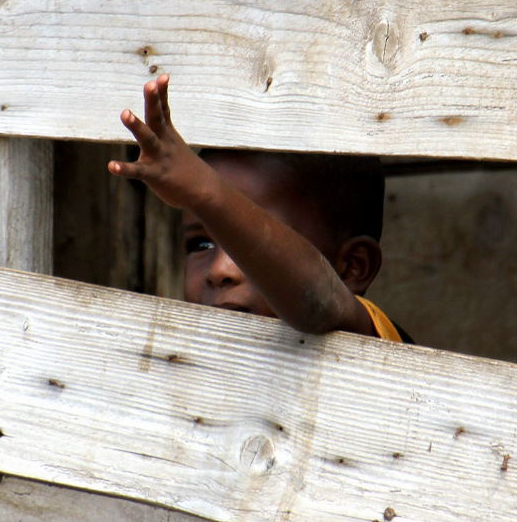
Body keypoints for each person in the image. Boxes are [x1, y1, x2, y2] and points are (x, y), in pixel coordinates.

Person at [111, 74, 407, 342]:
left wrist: (206, 192)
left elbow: (318, 300)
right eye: (200, 243)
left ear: (353, 267)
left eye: (252, 238)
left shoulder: (367, 335)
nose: (218, 271)